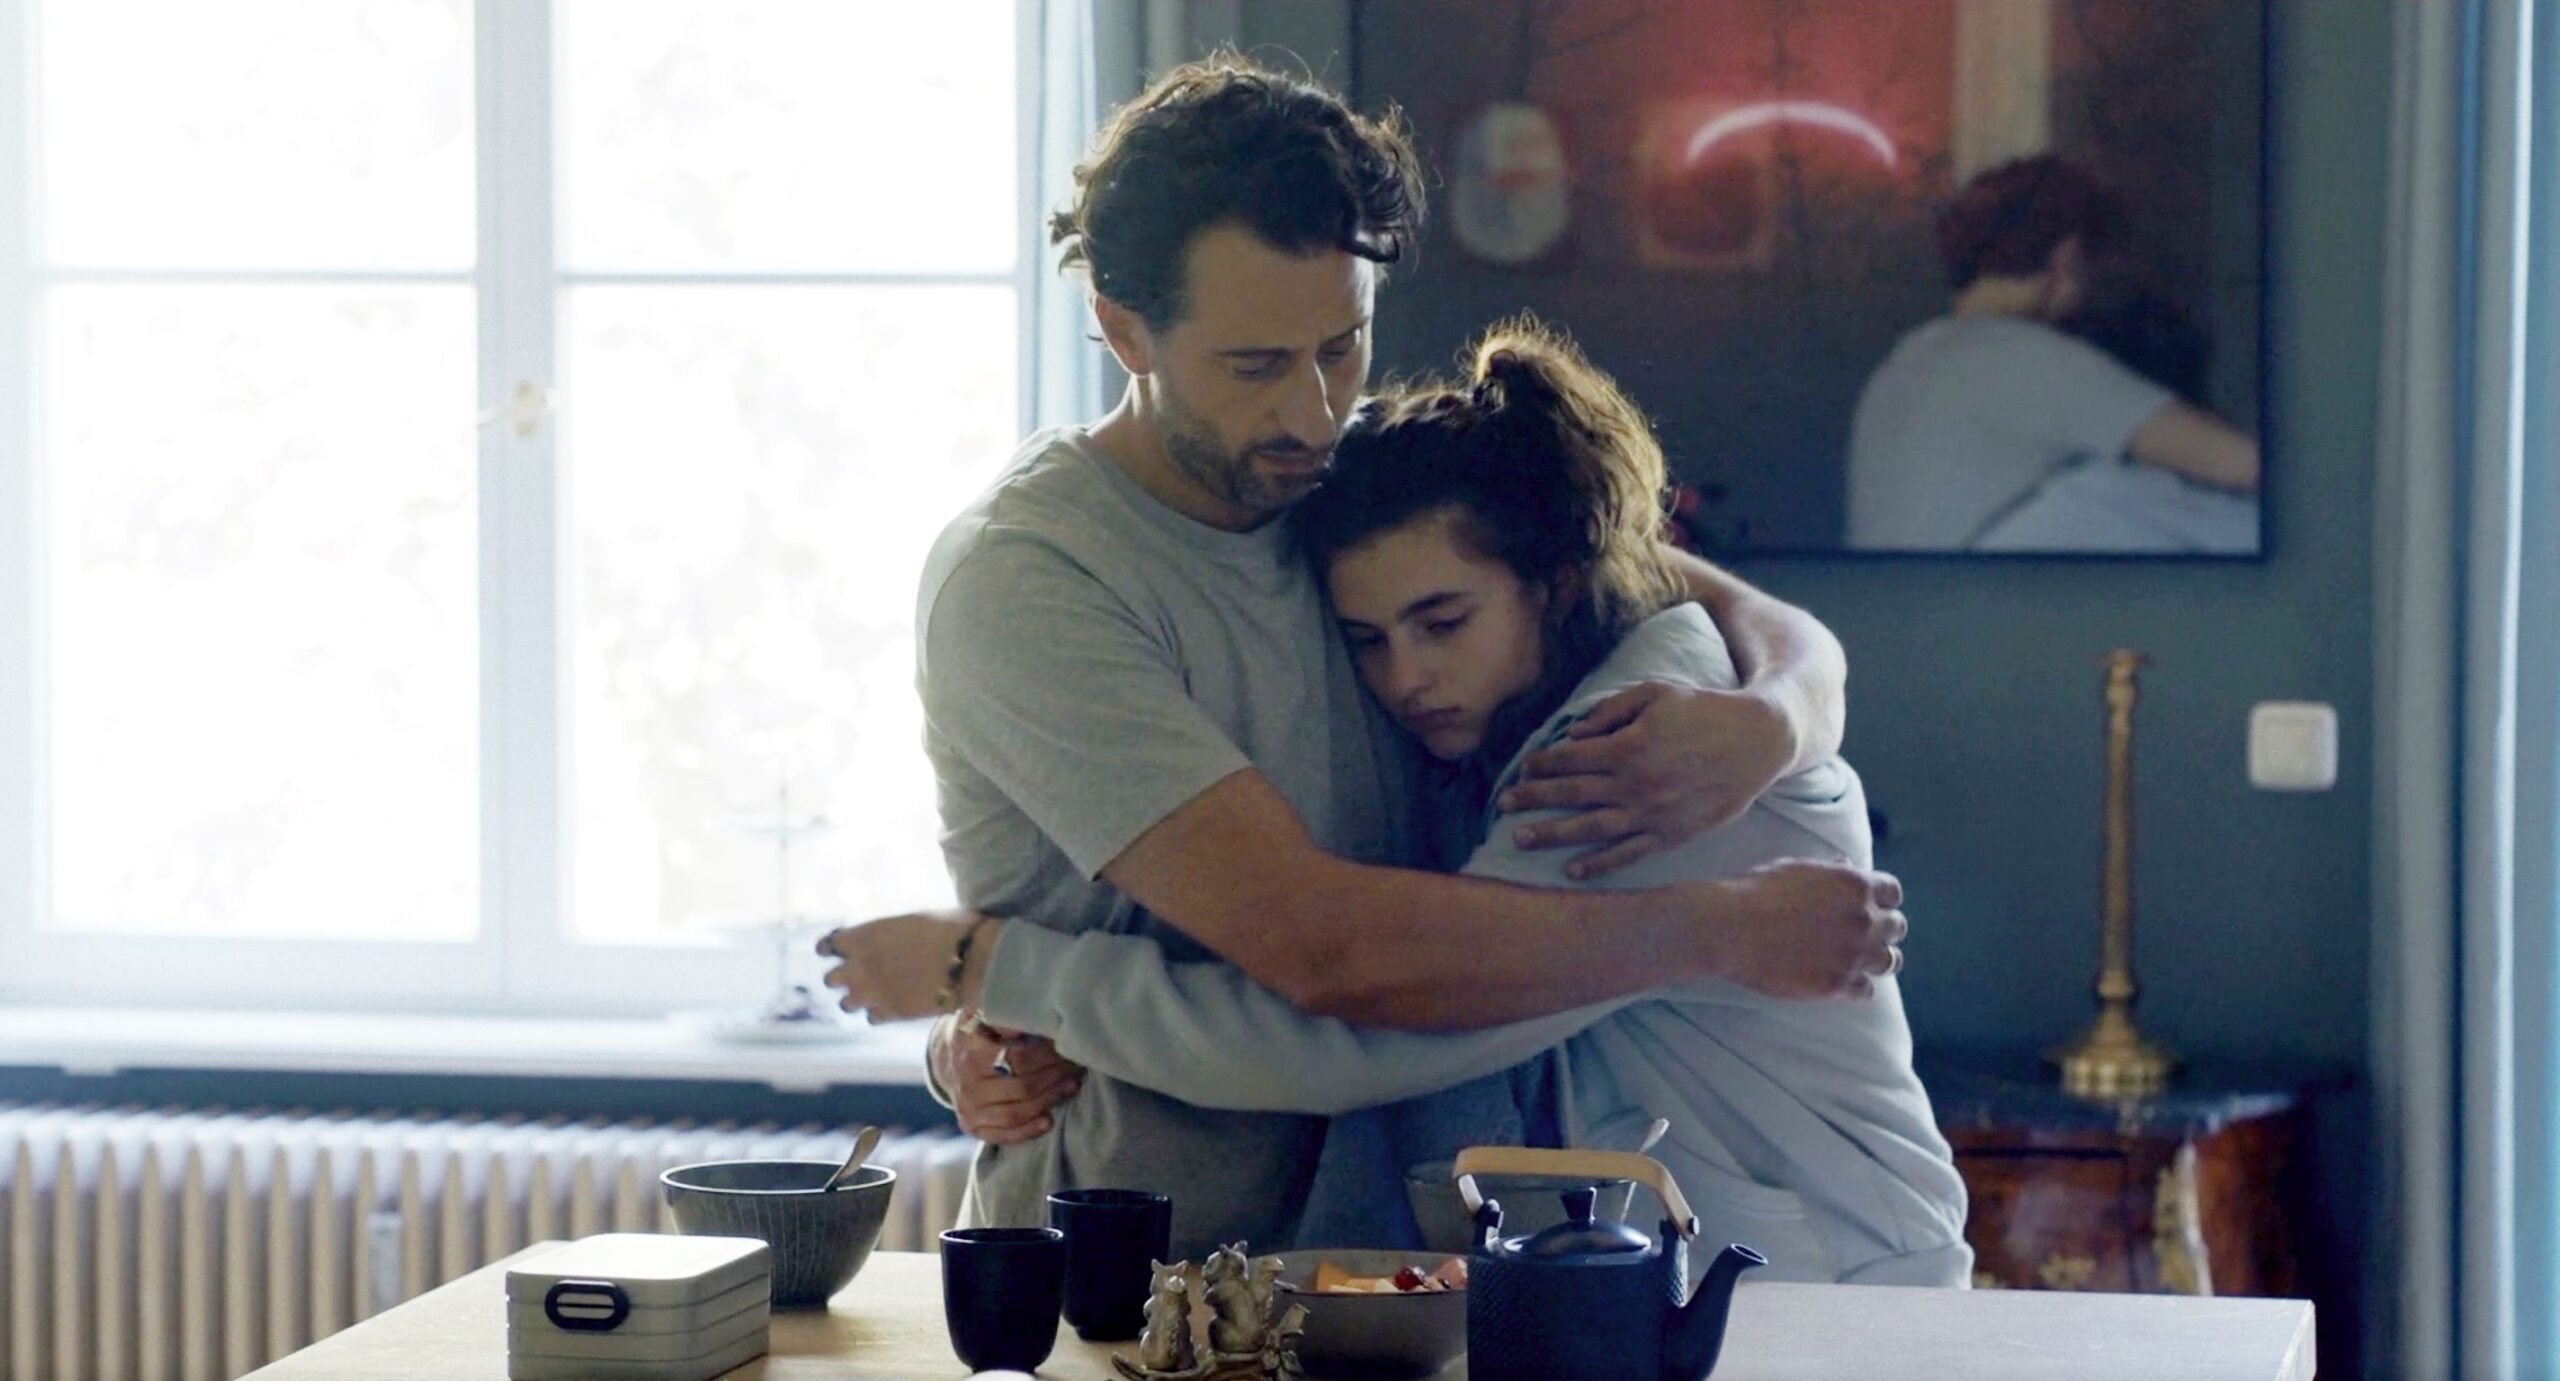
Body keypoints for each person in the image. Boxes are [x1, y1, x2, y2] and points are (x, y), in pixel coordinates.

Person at [817, 55, 1905, 1262]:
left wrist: (1783, 711)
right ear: (1124, 329)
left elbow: (1644, 571)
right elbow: (1325, 952)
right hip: (1147, 1268)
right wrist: (1714, 929)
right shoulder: (1032, 577)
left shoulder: (1330, 476)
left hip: (1396, 1263)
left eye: (1342, 346)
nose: (1310, 410)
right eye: (1253, 365)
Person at [1845, 155, 2260, 552]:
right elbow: (2244, 464)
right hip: (1990, 587)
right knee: (2117, 490)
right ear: (2068, 257)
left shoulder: (1905, 362)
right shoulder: (2017, 355)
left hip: (1918, 592)